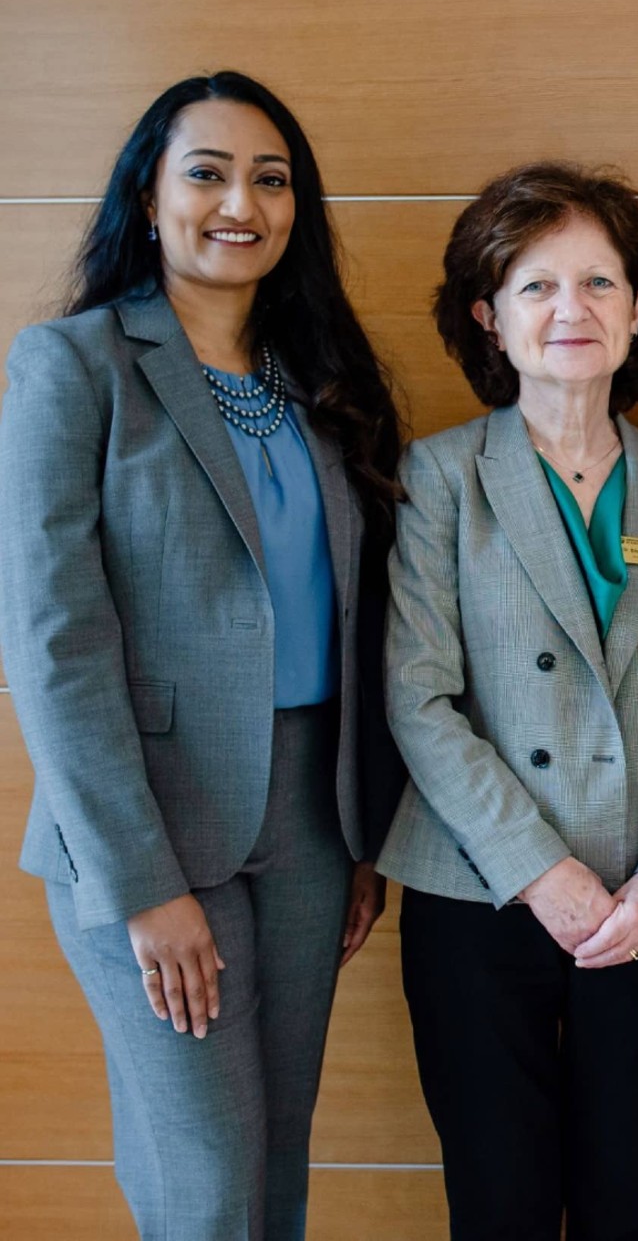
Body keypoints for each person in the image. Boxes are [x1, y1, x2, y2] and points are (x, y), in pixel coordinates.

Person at [0, 71, 403, 1239]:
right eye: (208, 172)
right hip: (149, 828)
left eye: (270, 180)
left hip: (311, 821)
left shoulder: (319, 381)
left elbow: (357, 616)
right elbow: (56, 643)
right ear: (149, 195)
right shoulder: (76, 366)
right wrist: (141, 884)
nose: (242, 202)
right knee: (207, 1190)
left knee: (275, 1178)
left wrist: (359, 834)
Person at [378, 162, 638, 1241]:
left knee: (632, 1204)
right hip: (480, 895)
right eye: (535, 286)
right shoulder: (441, 476)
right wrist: (541, 873)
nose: (569, 311)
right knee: (501, 1207)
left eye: (597, 283)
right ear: (487, 317)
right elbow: (418, 696)